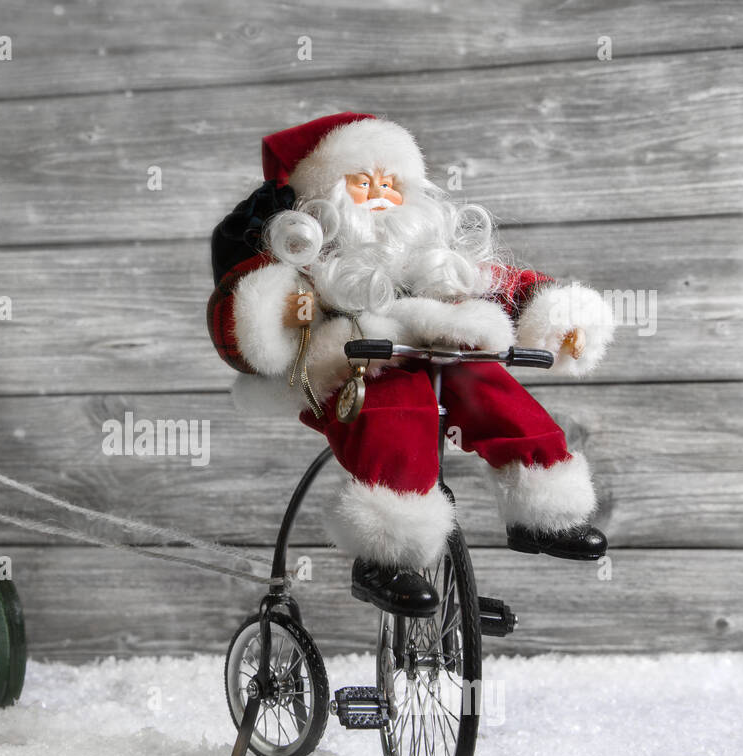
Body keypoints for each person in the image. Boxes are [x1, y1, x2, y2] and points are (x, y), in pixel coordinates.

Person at [207, 113, 616, 615]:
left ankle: (544, 509)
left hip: (437, 352)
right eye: (363, 182)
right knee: (395, 415)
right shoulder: (309, 261)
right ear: (322, 199)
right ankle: (386, 556)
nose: (380, 194)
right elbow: (241, 321)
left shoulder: (430, 256)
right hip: (354, 365)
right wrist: (286, 311)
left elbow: (499, 283)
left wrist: (558, 318)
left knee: (494, 391)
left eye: (391, 183)